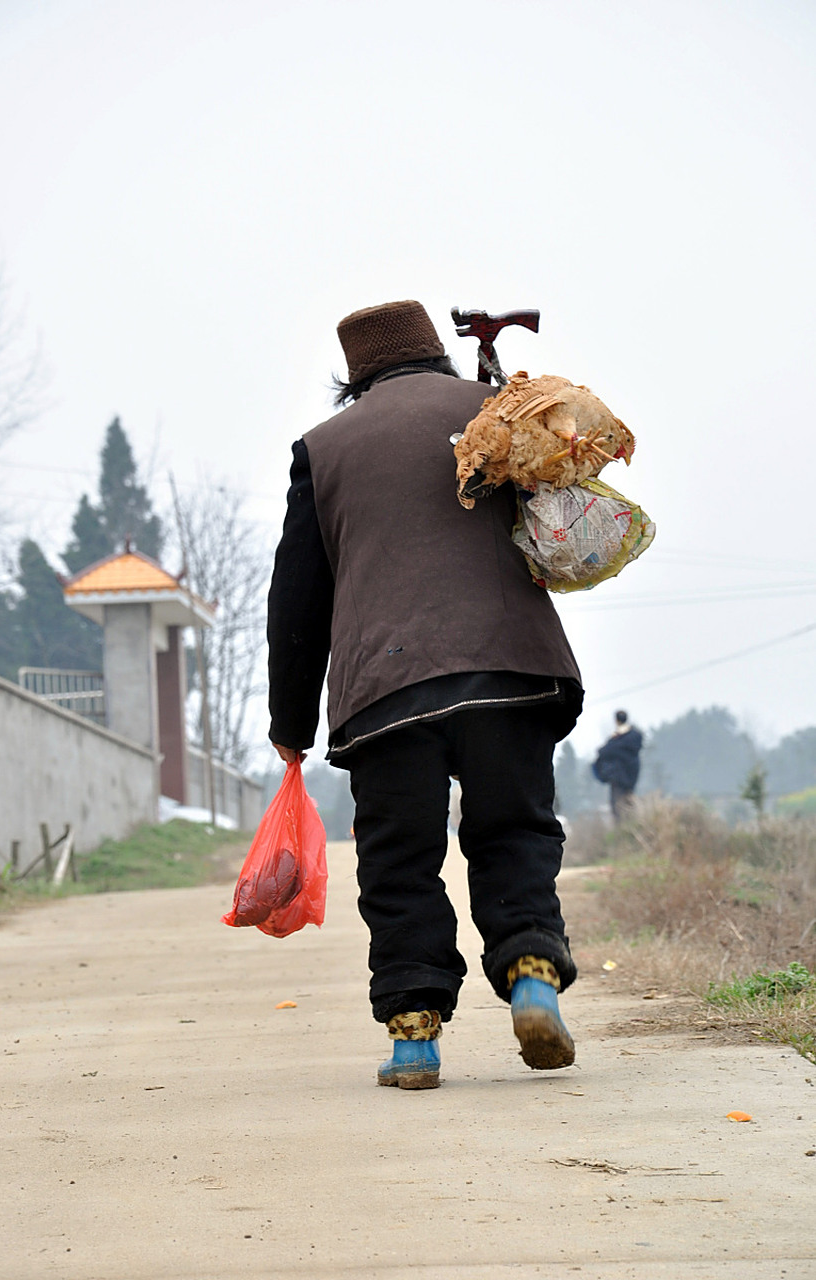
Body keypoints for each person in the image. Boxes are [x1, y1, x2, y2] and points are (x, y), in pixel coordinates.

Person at [267, 299, 584, 1089]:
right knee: (514, 832)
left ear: (354, 379)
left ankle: (414, 1040)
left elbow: (297, 596)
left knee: (400, 859)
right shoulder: (494, 408)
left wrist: (290, 720)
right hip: (510, 667)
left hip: (384, 689)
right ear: (437, 354)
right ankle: (533, 977)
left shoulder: (323, 448)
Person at [592, 710, 643, 820]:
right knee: (627, 804)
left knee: (618, 806)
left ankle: (623, 829)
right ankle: (629, 827)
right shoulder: (634, 737)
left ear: (616, 720)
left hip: (619, 777)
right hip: (630, 776)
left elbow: (604, 752)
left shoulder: (616, 740)